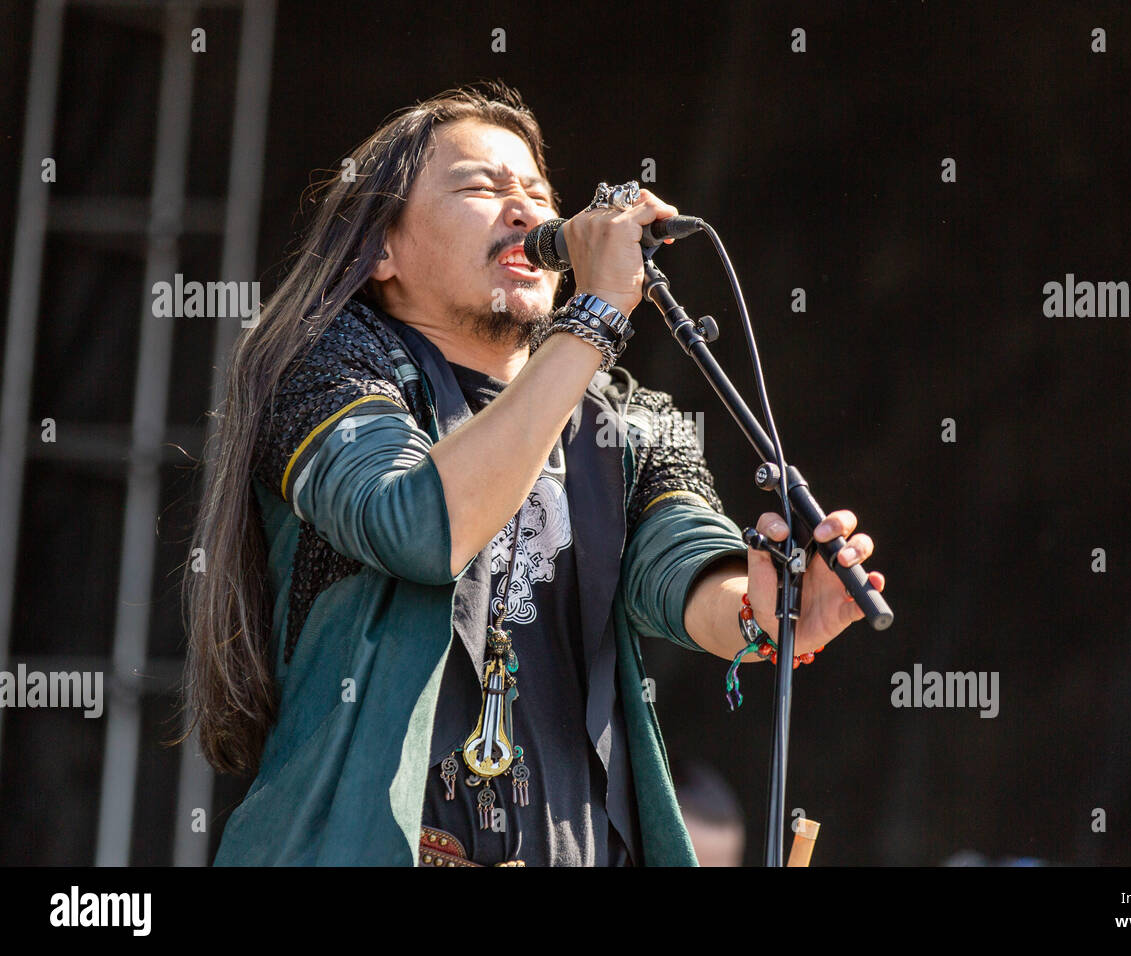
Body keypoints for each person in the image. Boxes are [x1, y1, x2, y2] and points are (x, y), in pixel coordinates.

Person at [180, 81, 884, 866]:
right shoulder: (329, 370)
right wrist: (596, 319)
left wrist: (769, 609)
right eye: (481, 188)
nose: (526, 212)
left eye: (538, 193)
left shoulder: (622, 417)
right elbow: (414, 524)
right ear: (380, 248)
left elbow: (685, 571)